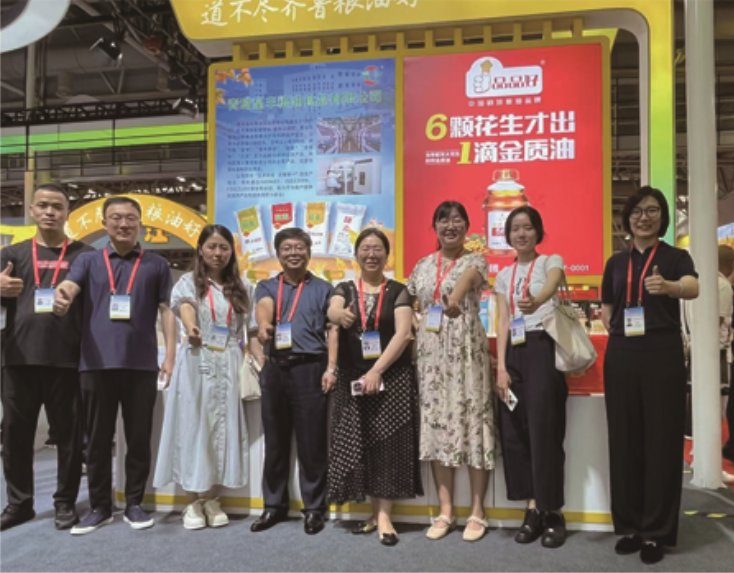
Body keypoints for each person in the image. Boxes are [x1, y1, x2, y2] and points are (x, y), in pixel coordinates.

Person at [53, 196, 177, 535]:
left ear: (140, 223)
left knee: (138, 438)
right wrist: (64, 294)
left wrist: (169, 356)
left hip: (141, 365)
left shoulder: (156, 264)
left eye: (130, 218)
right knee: (96, 440)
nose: (123, 224)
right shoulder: (88, 260)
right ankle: (100, 507)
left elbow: (167, 310)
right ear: (105, 223)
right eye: (116, 218)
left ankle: (134, 503)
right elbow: (71, 285)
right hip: (95, 365)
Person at [601, 186, 699, 565]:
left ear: (663, 217)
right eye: (637, 211)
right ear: (627, 218)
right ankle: (630, 525)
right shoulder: (615, 262)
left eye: (653, 210)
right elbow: (607, 308)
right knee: (624, 439)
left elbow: (693, 286)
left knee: (661, 440)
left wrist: (670, 287)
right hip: (622, 354)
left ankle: (656, 531)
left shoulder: (675, 257)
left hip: (661, 352)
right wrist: (618, 331)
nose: (644, 217)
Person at [0, 183, 92, 531]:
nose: (50, 212)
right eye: (43, 205)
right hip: (18, 358)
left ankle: (65, 502)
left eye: (57, 206)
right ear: (32, 210)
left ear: (68, 212)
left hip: (67, 359)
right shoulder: (12, 255)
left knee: (68, 437)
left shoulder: (85, 256)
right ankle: (19, 504)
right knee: (16, 436)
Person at [153, 224, 257, 529]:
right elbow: (185, 307)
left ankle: (212, 498)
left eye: (223, 247)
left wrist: (258, 358)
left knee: (222, 429)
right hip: (197, 359)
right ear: (200, 250)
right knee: (193, 427)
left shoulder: (243, 286)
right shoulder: (187, 283)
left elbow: (249, 330)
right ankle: (192, 501)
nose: (217, 253)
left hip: (229, 360)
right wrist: (192, 326)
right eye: (211, 246)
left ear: (231, 252)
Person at [327, 228, 422, 547]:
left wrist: (377, 371)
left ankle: (384, 516)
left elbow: (404, 333)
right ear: (356, 254)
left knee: (388, 446)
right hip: (352, 379)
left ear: (386, 255)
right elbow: (332, 310)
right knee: (360, 444)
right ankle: (371, 511)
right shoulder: (344, 289)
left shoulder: (398, 290)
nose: (371, 254)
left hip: (391, 379)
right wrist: (338, 314)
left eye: (378, 248)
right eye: (365, 248)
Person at [407, 200, 494, 542]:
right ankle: (445, 511)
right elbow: (410, 301)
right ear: (435, 227)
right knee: (436, 426)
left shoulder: (475, 260)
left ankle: (477, 511)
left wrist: (454, 300)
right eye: (443, 220)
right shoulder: (422, 265)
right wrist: (414, 321)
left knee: (474, 424)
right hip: (431, 357)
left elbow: (466, 282)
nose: (450, 226)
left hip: (466, 353)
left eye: (457, 220)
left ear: (467, 227)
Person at [251, 227, 335, 535]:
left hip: (310, 368)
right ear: (278, 254)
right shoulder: (267, 286)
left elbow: (333, 328)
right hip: (275, 368)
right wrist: (264, 325)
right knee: (275, 442)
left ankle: (314, 509)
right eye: (287, 248)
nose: (293, 253)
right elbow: (264, 307)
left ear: (309, 252)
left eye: (299, 247)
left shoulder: (324, 288)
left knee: (312, 443)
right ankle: (273, 506)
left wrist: (332, 367)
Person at [494, 206, 568, 548]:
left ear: (538, 232)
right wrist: (501, 366)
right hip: (514, 352)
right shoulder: (503, 276)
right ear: (508, 235)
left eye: (527, 227)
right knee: (516, 433)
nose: (521, 234)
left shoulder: (551, 261)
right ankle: (531, 509)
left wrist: (536, 300)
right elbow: (503, 319)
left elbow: (552, 286)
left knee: (545, 432)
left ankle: (553, 511)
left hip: (542, 348)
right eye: (515, 229)